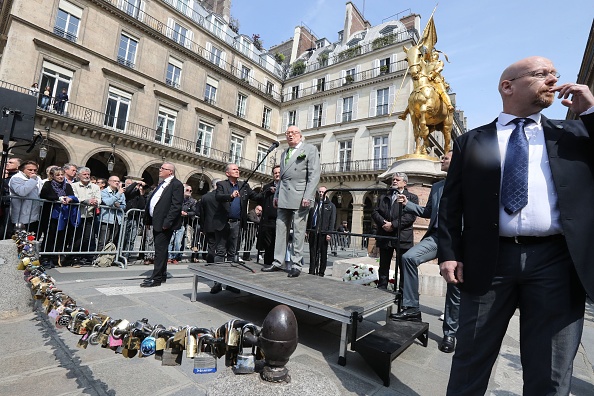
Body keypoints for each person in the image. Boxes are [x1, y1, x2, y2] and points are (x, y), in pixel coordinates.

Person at [438, 56, 594, 395]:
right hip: (488, 261)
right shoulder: (472, 142)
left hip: (557, 262)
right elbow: (451, 204)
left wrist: (591, 113)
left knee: (550, 370)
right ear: (507, 86)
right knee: (471, 358)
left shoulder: (573, 134)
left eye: (555, 73)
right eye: (541, 74)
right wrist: (448, 253)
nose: (552, 79)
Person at [394, 151, 460, 353]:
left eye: (445, 158)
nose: (441, 159)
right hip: (437, 237)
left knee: (454, 285)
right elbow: (428, 212)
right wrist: (408, 204)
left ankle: (450, 333)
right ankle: (412, 308)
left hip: (458, 239)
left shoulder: (469, 184)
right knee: (408, 258)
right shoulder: (437, 187)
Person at [261, 125, 321, 278]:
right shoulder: (284, 153)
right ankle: (277, 261)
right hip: (284, 196)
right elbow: (282, 178)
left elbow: (314, 175)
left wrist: (308, 196)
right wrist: (276, 196)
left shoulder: (310, 149)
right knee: (280, 229)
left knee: (298, 232)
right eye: (287, 133)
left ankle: (296, 264)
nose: (290, 136)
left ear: (300, 135)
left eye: (293, 133)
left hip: (300, 196)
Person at [371, 172, 418, 290]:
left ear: (405, 183)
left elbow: (410, 216)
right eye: (393, 179)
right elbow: (375, 212)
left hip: (402, 237)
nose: (394, 181)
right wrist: (383, 223)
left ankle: (402, 293)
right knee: (384, 265)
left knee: (403, 266)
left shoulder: (412, 197)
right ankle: (382, 287)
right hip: (385, 235)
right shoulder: (383, 196)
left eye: (397, 179)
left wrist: (393, 224)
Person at [141, 162, 183, 287]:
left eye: (162, 168)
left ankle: (156, 278)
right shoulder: (163, 184)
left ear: (170, 171)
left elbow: (176, 206)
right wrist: (148, 220)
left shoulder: (176, 184)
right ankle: (161, 274)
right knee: (161, 250)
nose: (160, 170)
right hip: (157, 221)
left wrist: (167, 222)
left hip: (164, 223)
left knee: (160, 251)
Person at [214, 163, 257, 264]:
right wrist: (231, 196)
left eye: (238, 169)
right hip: (223, 222)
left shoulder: (244, 186)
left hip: (237, 223)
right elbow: (218, 196)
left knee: (233, 252)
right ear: (227, 173)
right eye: (234, 169)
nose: (237, 171)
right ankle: (217, 275)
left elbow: (256, 196)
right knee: (220, 251)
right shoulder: (221, 184)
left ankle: (229, 274)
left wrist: (269, 191)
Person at [39, 167, 78, 268]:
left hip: (63, 215)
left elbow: (72, 196)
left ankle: (54, 258)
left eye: (62, 174)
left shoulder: (67, 186)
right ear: (52, 176)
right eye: (58, 175)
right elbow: (44, 195)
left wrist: (69, 199)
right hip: (51, 214)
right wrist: (58, 198)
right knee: (49, 236)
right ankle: (44, 258)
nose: (60, 177)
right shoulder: (48, 184)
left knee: (60, 237)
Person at [71, 167, 101, 265]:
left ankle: (85, 256)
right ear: (79, 175)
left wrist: (95, 201)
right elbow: (75, 197)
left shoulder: (95, 187)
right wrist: (86, 201)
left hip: (90, 215)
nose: (87, 176)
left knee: (88, 237)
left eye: (88, 174)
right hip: (78, 215)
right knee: (77, 237)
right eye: (84, 174)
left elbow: (99, 199)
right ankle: (74, 256)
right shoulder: (74, 185)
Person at [307, 186, 336, 276]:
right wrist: (307, 230)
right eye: (319, 192)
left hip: (323, 233)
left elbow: (332, 221)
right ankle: (311, 270)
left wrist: (329, 233)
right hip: (313, 231)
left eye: (323, 192)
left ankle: (321, 272)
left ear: (326, 193)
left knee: (323, 253)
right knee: (312, 252)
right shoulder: (314, 204)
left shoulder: (331, 206)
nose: (321, 193)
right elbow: (309, 218)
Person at [8, 160, 43, 233]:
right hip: (21, 216)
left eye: (35, 170)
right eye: (30, 170)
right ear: (22, 170)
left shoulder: (37, 179)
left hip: (34, 215)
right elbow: (22, 192)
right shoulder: (16, 178)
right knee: (20, 239)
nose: (33, 172)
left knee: (32, 238)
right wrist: (32, 180)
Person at [255, 165, 280, 266]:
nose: (277, 174)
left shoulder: (286, 186)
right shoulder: (267, 187)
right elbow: (259, 199)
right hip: (268, 221)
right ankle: (267, 264)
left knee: (277, 244)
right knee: (268, 245)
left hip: (280, 220)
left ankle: (276, 264)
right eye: (275, 173)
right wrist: (268, 191)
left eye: (279, 172)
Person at [168, 183, 197, 264]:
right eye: (187, 190)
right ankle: (169, 257)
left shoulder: (192, 201)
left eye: (190, 191)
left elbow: (194, 212)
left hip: (182, 223)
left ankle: (176, 257)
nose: (189, 192)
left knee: (178, 241)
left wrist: (187, 214)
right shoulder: (176, 198)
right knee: (170, 240)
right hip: (173, 222)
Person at [97, 176, 126, 253]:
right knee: (103, 240)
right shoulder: (104, 192)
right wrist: (118, 194)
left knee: (114, 240)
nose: (117, 182)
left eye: (118, 181)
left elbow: (124, 206)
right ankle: (98, 257)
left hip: (117, 220)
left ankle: (110, 258)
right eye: (114, 181)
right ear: (109, 182)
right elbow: (108, 202)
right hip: (106, 219)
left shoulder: (121, 192)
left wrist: (119, 206)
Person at [122, 178, 146, 260]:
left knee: (131, 238)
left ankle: (127, 255)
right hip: (125, 217)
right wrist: (136, 182)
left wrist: (141, 194)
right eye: (128, 183)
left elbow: (142, 205)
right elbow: (128, 190)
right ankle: (120, 254)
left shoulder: (137, 194)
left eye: (131, 184)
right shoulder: (125, 191)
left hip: (134, 218)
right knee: (123, 237)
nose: (130, 185)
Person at [200, 178, 220, 266]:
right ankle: (219, 264)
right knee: (221, 247)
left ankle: (210, 263)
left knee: (211, 247)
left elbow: (202, 214)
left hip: (209, 225)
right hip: (220, 225)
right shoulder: (222, 197)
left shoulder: (205, 197)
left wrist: (202, 227)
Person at [1, 157, 21, 238]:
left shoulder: (17, 178)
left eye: (11, 162)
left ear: (18, 166)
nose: (7, 164)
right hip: (4, 205)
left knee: (7, 228)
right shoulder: (7, 177)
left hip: (10, 206)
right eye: (7, 162)